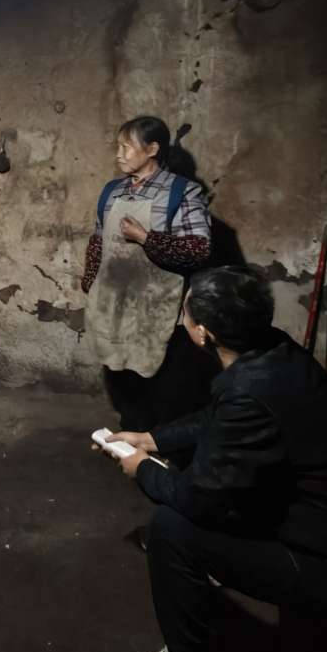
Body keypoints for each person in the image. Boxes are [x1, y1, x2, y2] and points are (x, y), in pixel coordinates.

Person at [99, 266, 327, 652]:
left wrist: (141, 468)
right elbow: (217, 419)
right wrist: (152, 439)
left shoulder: (249, 389)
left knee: (171, 528)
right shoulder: (272, 352)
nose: (183, 319)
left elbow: (196, 498)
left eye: (186, 314)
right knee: (212, 487)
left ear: (203, 333)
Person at [82, 115, 213, 432]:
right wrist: (91, 281)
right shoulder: (112, 191)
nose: (119, 154)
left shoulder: (182, 192)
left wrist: (146, 238)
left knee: (164, 389)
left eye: (126, 147)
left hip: (160, 307)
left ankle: (161, 448)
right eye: (118, 147)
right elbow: (99, 240)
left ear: (152, 149)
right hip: (116, 304)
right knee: (123, 382)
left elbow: (199, 249)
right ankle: (132, 438)